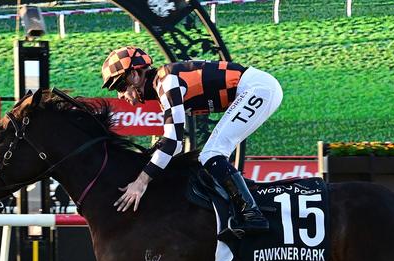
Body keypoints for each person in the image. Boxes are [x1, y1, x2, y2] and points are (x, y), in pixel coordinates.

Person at [101, 46, 283, 236]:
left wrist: (141, 183)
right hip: (255, 88)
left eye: (120, 86)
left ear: (135, 75)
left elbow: (173, 142)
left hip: (258, 89)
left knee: (211, 154)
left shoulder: (167, 81)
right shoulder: (163, 81)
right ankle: (243, 205)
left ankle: (251, 214)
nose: (120, 95)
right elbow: (171, 142)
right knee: (211, 155)